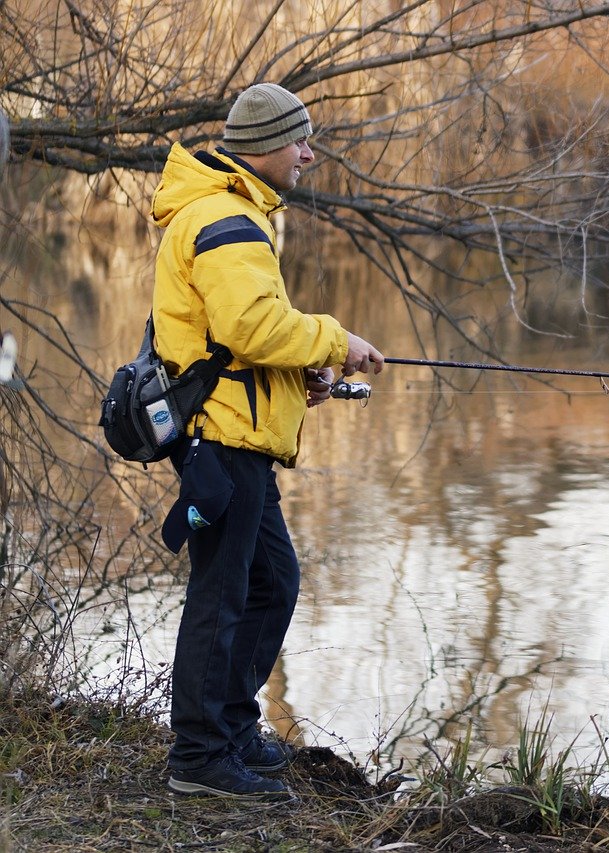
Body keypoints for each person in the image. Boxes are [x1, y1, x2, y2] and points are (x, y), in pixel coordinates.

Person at [150, 82, 384, 799]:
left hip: (239, 435)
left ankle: (228, 726)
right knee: (223, 595)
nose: (308, 153)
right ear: (263, 147)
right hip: (225, 441)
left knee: (270, 582)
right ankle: (199, 756)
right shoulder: (228, 219)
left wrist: (301, 375)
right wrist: (336, 339)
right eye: (299, 141)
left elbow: (240, 336)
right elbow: (247, 328)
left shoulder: (235, 212)